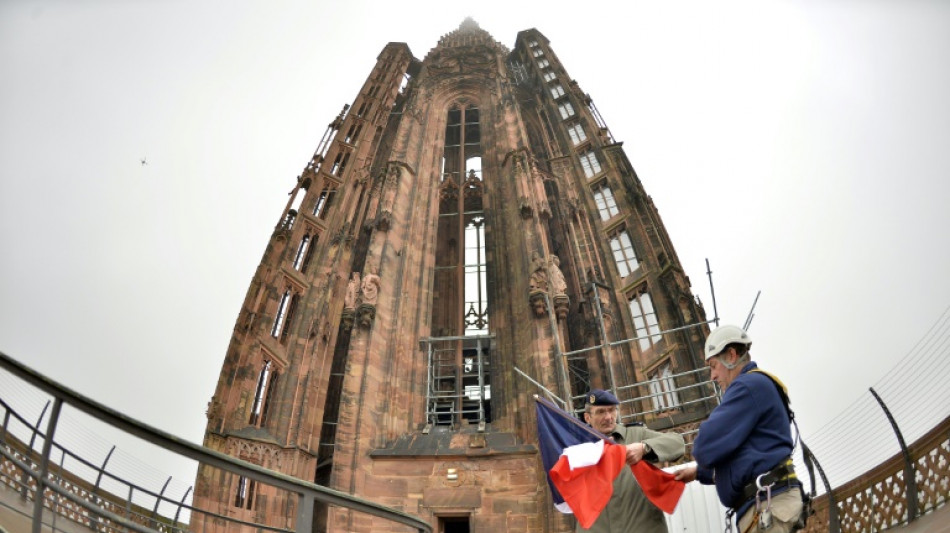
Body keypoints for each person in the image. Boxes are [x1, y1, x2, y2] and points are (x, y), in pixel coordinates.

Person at [674, 325, 804, 532]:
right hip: (767, 502)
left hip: (768, 504)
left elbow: (704, 447)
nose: (712, 376)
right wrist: (699, 472)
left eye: (714, 366)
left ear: (731, 356)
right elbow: (746, 458)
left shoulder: (746, 386)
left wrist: (704, 458)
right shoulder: (755, 386)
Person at [578, 389, 685, 533]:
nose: (608, 417)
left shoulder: (636, 434)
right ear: (587, 417)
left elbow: (677, 443)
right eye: (601, 412)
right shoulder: (578, 449)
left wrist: (644, 448)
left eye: (612, 410)